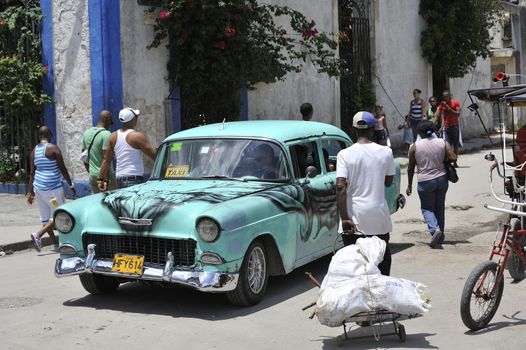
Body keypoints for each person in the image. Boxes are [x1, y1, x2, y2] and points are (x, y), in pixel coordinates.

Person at [336, 111, 395, 276]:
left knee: (355, 266)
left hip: (354, 219)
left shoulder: (344, 154)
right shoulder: (386, 152)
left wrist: (344, 218)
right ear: (373, 129)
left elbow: (340, 186)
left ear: (354, 129)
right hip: (379, 217)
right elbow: (388, 181)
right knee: (381, 263)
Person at [406, 120, 457, 248]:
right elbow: (453, 158)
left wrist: (409, 185)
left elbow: (410, 168)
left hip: (425, 181)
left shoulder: (415, 146)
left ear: (419, 132)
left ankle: (434, 230)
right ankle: (441, 236)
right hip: (442, 179)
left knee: (427, 208)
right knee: (439, 207)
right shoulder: (442, 142)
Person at [28, 126, 76, 252]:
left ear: (39, 136)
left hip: (38, 188)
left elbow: (32, 173)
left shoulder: (34, 151)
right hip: (53, 189)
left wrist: (30, 192)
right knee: (59, 214)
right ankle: (38, 234)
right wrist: (70, 185)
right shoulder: (52, 148)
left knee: (45, 217)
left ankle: (55, 243)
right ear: (49, 134)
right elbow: (62, 168)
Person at [98, 107, 156, 191]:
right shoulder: (137, 136)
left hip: (119, 179)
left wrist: (100, 179)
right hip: (134, 179)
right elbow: (154, 156)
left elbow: (107, 160)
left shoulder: (113, 136)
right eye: (136, 117)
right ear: (133, 119)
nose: (137, 118)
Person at [81, 110, 115, 193]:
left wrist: (91, 172)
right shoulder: (106, 134)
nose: (111, 124)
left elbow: (84, 157)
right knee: (110, 204)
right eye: (111, 121)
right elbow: (106, 159)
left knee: (97, 202)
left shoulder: (87, 133)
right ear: (107, 119)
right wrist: (104, 179)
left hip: (93, 175)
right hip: (105, 177)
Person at [436, 90, 461, 167]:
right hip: (447, 127)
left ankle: (455, 161)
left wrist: (449, 109)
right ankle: (448, 161)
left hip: (455, 126)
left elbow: (458, 114)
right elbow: (438, 115)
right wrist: (432, 123)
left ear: (450, 96)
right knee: (447, 145)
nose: (445, 98)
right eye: (444, 97)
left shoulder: (455, 103)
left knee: (455, 145)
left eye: (447, 96)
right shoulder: (442, 104)